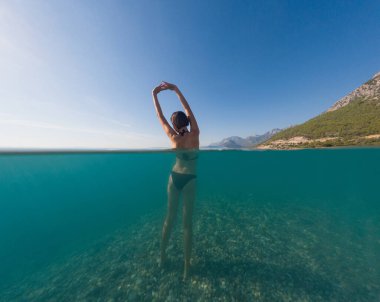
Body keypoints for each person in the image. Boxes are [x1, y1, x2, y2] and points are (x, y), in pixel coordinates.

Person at [152, 81, 200, 280]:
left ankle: (162, 257)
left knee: (169, 220)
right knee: (186, 224)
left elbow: (159, 116)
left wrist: (154, 94)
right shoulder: (195, 133)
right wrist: (175, 89)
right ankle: (187, 268)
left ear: (174, 125)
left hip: (175, 177)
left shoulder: (173, 136)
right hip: (190, 179)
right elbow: (188, 108)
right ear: (188, 122)